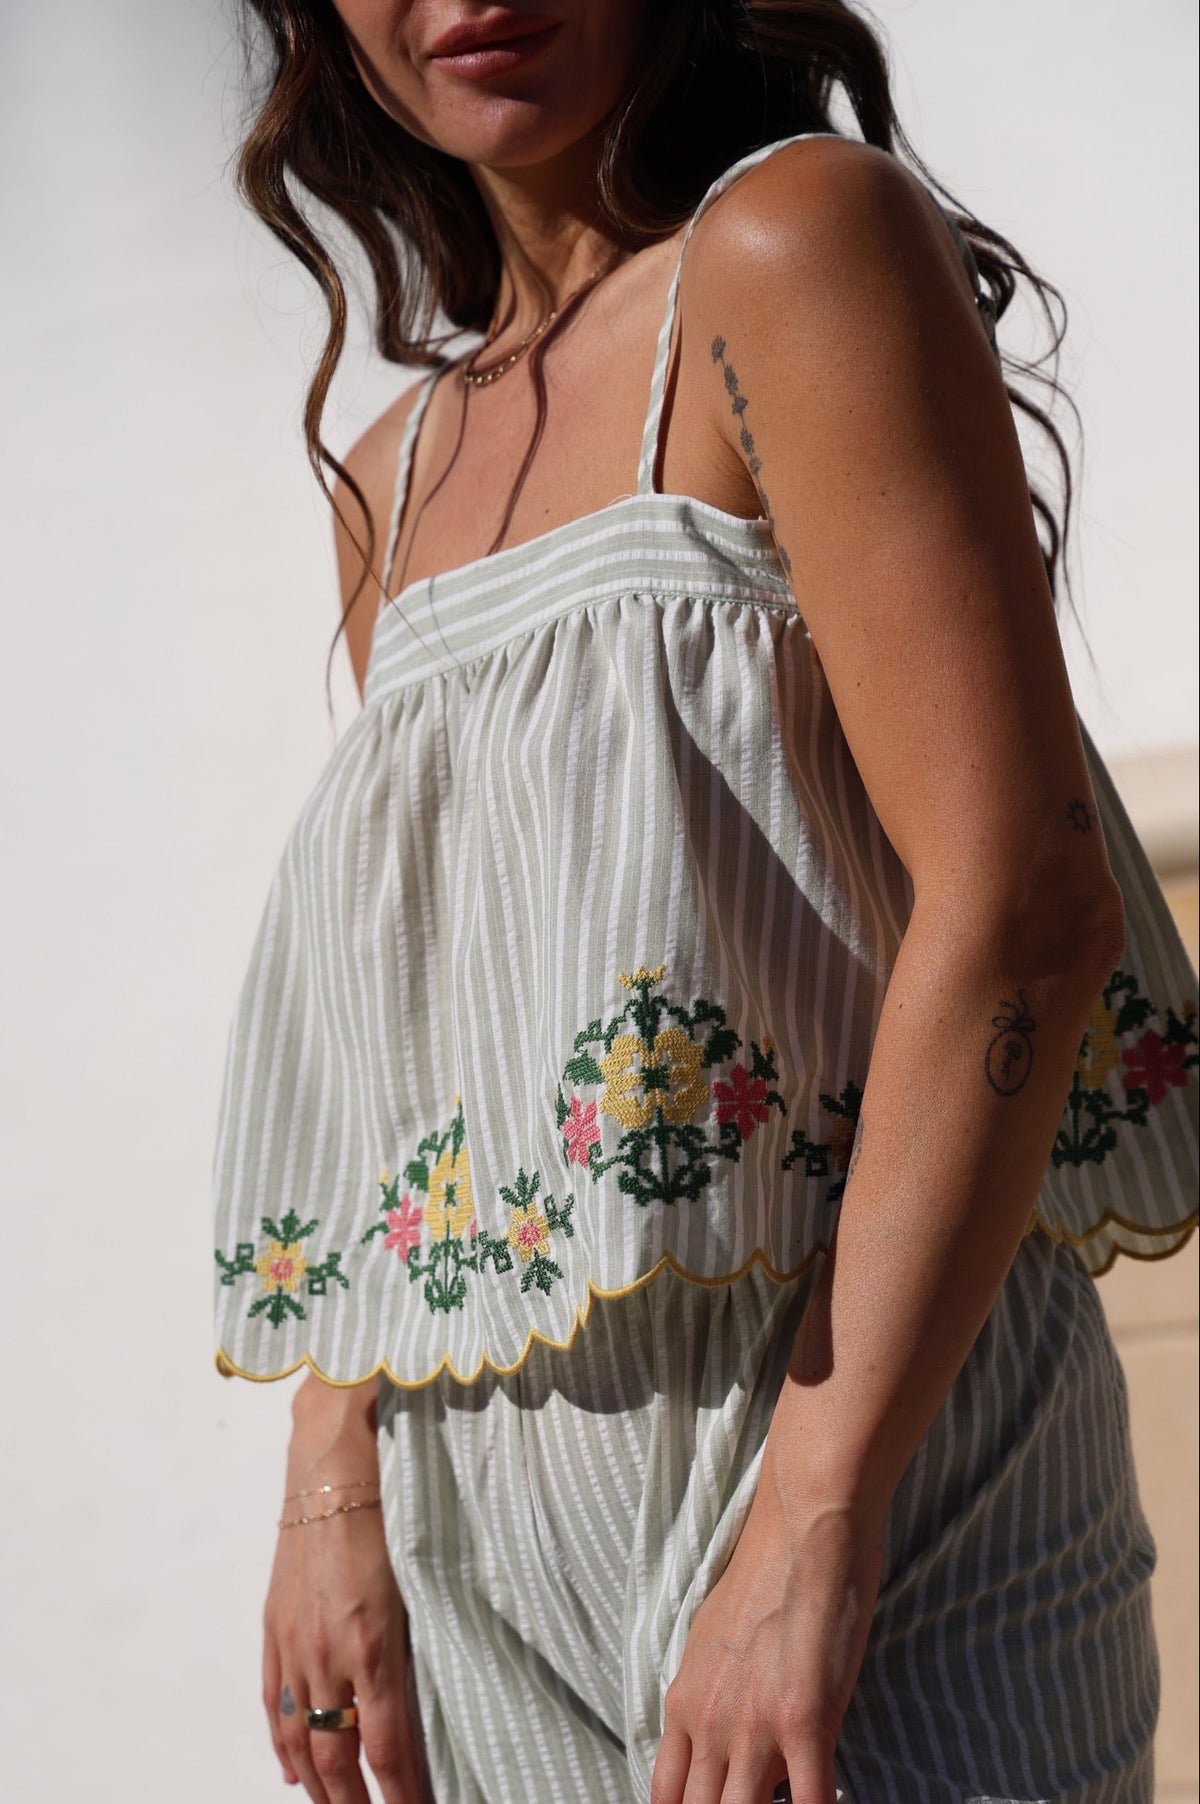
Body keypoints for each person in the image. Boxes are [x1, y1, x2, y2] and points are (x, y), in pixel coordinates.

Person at [211, 4, 1199, 1801]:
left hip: (877, 1492)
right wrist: (330, 1482)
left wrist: (813, 1522)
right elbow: (421, 1063)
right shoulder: (390, 484)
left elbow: (1020, 905)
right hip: (478, 1552)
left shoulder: (794, 245)